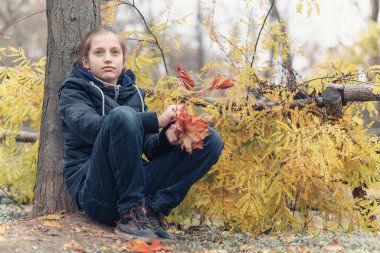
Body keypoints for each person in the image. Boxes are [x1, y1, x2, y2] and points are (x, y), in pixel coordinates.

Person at [58, 26, 224, 241]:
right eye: (99, 52)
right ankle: (129, 214)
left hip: (134, 186)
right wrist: (155, 120)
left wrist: (167, 137)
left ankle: (151, 210)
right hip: (96, 192)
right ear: (86, 62)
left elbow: (151, 148)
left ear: (123, 60)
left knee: (209, 139)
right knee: (122, 116)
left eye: (114, 52)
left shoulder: (133, 93)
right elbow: (88, 126)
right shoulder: (74, 89)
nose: (108, 58)